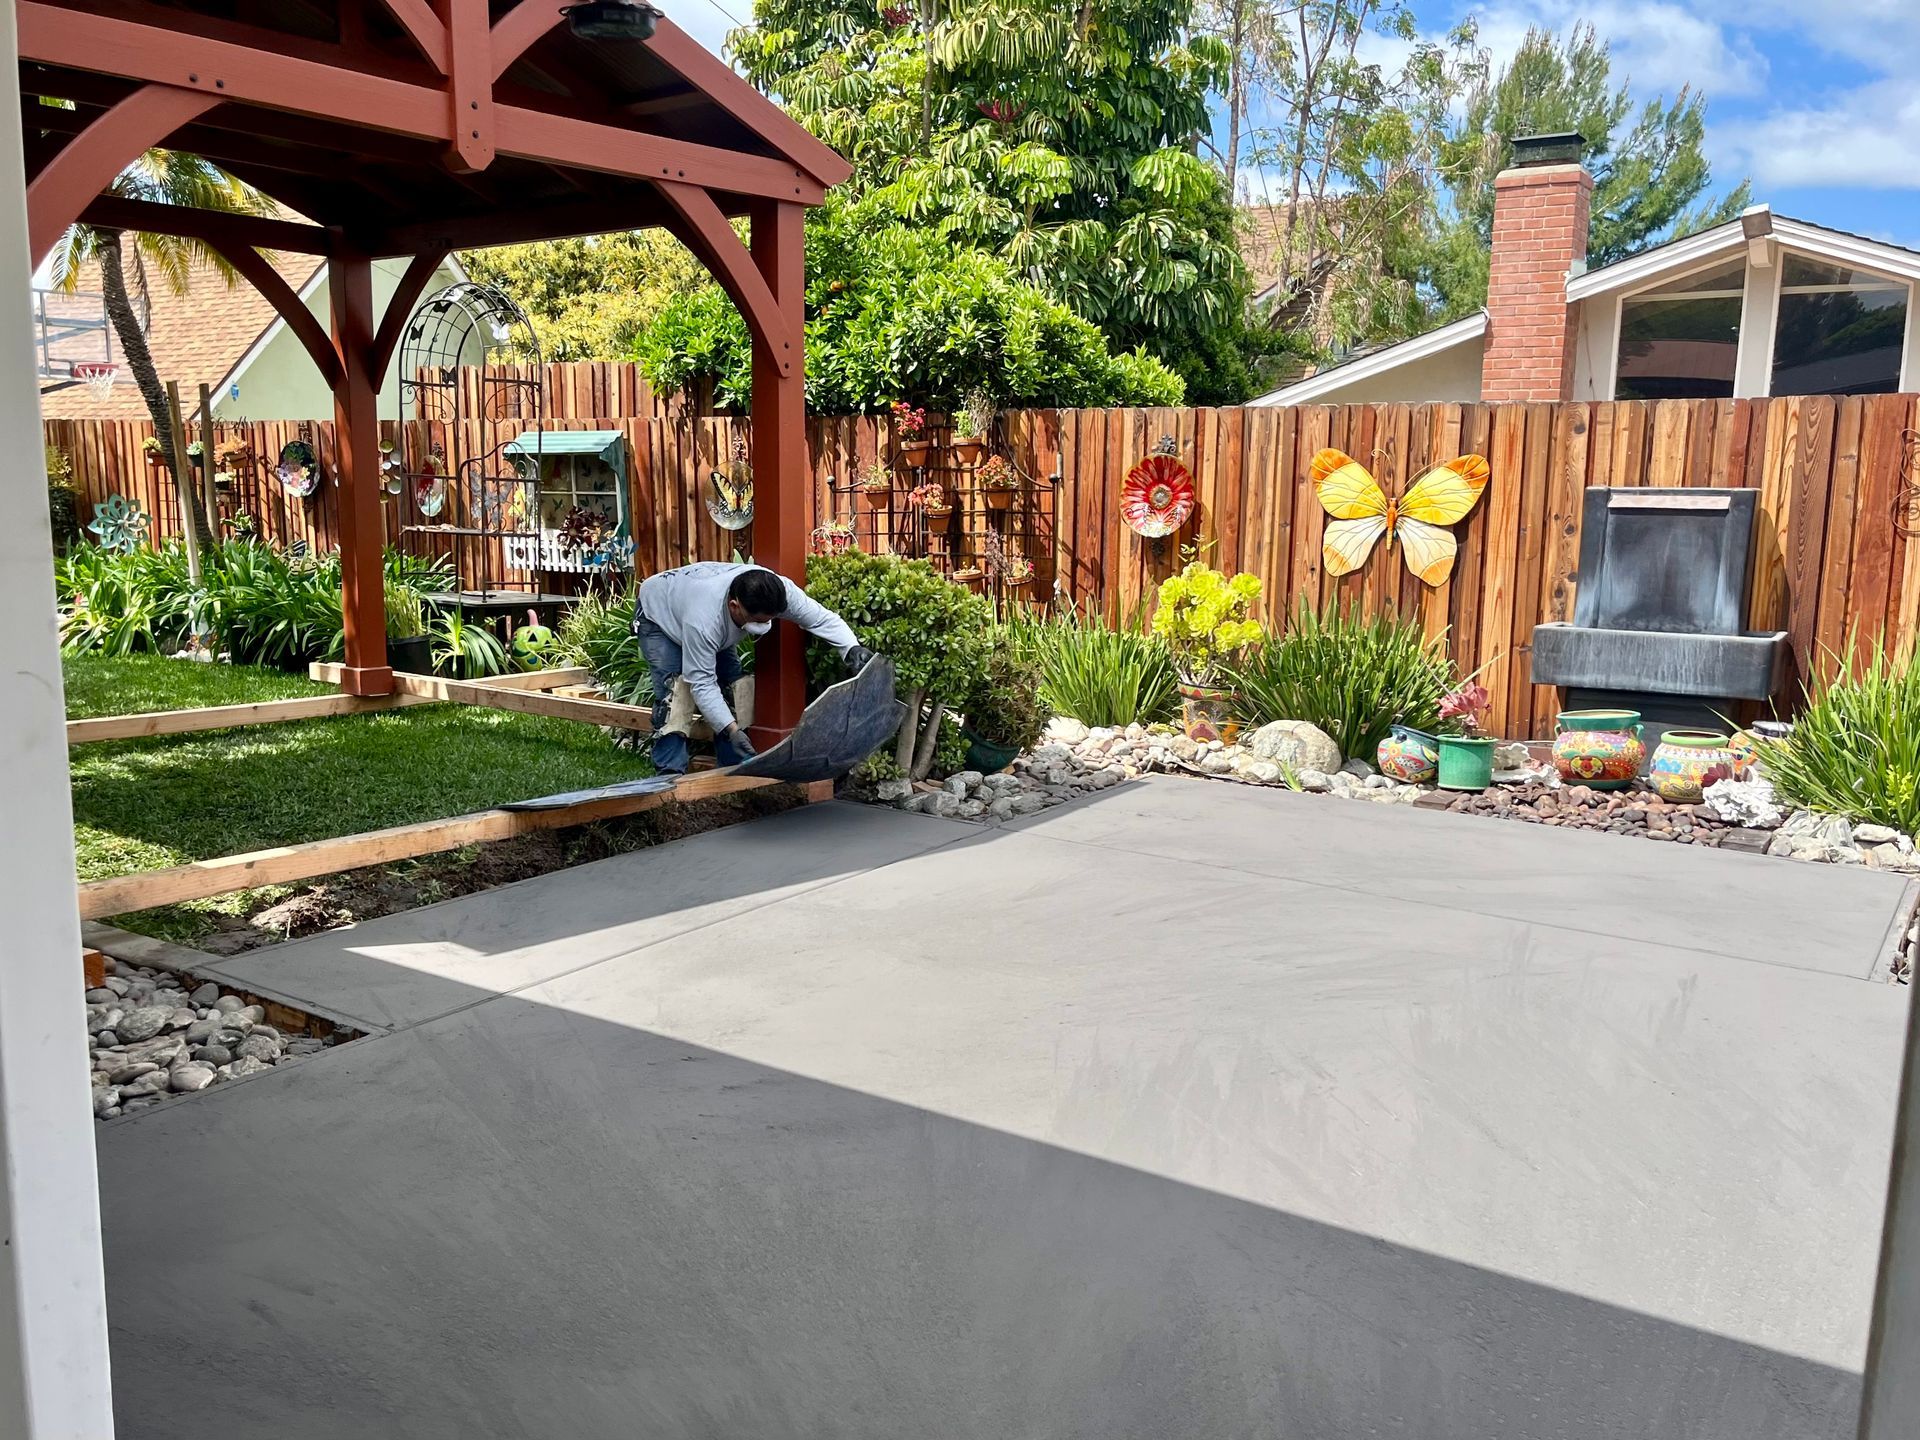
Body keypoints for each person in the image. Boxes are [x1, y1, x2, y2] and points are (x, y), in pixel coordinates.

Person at [633, 561, 874, 774]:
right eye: (757, 621)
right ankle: (670, 774)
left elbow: (822, 619)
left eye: (769, 619)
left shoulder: (779, 591)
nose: (764, 625)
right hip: (658, 613)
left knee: (736, 688)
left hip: (704, 613)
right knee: (675, 694)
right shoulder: (704, 621)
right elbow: (702, 683)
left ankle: (732, 769)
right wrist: (732, 730)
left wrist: (850, 648)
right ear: (734, 605)